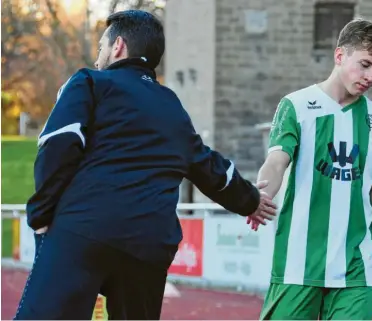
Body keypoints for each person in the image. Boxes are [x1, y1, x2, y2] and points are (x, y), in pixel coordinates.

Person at [15, 10, 276, 320]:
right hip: (148, 243)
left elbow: (59, 143)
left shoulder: (90, 82)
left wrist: (41, 213)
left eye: (102, 47)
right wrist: (250, 201)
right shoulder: (172, 107)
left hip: (85, 228)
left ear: (118, 47)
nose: (98, 58)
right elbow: (210, 168)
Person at [248, 18, 372, 320]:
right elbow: (277, 161)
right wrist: (259, 193)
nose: (371, 77)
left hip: (356, 269)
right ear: (340, 55)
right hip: (298, 263)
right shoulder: (296, 105)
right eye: (365, 64)